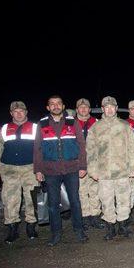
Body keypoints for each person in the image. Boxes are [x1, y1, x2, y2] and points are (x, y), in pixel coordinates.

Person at [34, 96, 88, 246]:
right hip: (51, 170)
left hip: (71, 169)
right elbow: (37, 148)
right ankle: (56, 233)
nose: (56, 106)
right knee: (53, 204)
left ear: (63, 106)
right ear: (48, 107)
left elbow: (81, 145)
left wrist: (82, 166)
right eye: (52, 104)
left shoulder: (72, 121)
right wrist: (38, 169)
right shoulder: (42, 124)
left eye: (58, 104)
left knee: (75, 201)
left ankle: (79, 230)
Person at [87, 96, 134, 241]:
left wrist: (133, 166)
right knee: (106, 200)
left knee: (123, 200)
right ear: (103, 109)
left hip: (122, 171)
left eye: (112, 107)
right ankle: (111, 228)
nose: (109, 109)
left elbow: (132, 148)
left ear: (116, 108)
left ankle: (123, 226)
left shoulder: (124, 126)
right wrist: (92, 170)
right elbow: (90, 151)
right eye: (106, 107)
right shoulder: (95, 128)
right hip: (104, 173)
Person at [0, 101, 39, 243]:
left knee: (32, 199)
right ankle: (12, 228)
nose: (19, 114)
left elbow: (41, 150)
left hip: (30, 169)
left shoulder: (35, 128)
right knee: (10, 200)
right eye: (15, 111)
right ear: (11, 113)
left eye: (21, 111)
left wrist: (41, 169)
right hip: (9, 169)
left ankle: (31, 226)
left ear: (26, 112)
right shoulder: (5, 128)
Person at [75, 98, 103, 230]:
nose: (83, 109)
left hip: (95, 162)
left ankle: (95, 216)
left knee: (95, 190)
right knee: (81, 191)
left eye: (86, 107)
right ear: (77, 110)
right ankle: (85, 217)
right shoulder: (71, 124)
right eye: (81, 107)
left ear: (89, 109)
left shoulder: (97, 123)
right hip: (77, 162)